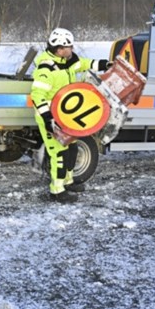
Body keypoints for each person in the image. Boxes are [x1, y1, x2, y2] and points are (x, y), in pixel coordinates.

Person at [30, 28, 111, 203]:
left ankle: (68, 181)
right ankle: (57, 191)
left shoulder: (66, 61)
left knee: (72, 148)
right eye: (69, 47)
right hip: (50, 117)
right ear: (59, 49)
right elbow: (37, 96)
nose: (72, 50)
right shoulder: (46, 68)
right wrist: (48, 120)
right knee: (58, 153)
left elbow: (84, 64)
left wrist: (105, 64)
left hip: (66, 116)